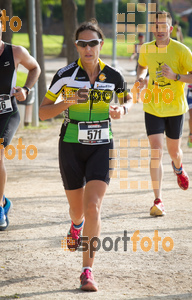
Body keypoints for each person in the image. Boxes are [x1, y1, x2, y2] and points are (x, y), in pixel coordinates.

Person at [39, 19, 132, 291]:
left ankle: (87, 270)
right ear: (76, 46)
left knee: (93, 207)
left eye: (93, 43)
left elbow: (127, 100)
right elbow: (43, 112)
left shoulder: (114, 75)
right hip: (70, 144)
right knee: (78, 209)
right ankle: (75, 224)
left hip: (103, 144)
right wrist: (68, 100)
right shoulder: (65, 75)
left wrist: (121, 111)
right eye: (83, 43)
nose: (88, 48)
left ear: (101, 44)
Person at [136, 11, 192, 216]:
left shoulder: (181, 51)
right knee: (156, 151)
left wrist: (176, 76)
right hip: (152, 106)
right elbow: (142, 66)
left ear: (170, 28)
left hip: (175, 108)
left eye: (163, 26)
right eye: (156, 26)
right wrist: (142, 78)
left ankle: (178, 168)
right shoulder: (147, 49)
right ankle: (158, 200)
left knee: (174, 152)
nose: (159, 30)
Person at [0, 7, 41, 230]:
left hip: (7, 113)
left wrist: (26, 90)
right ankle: (3, 200)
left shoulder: (15, 52)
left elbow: (35, 68)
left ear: (2, 24)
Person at [130, 33, 149, 100]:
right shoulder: (136, 45)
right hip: (139, 65)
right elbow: (134, 53)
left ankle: (147, 94)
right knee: (139, 81)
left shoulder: (146, 45)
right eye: (140, 37)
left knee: (146, 80)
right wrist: (132, 57)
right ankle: (138, 95)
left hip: (146, 65)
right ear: (138, 38)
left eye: (142, 37)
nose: (141, 38)